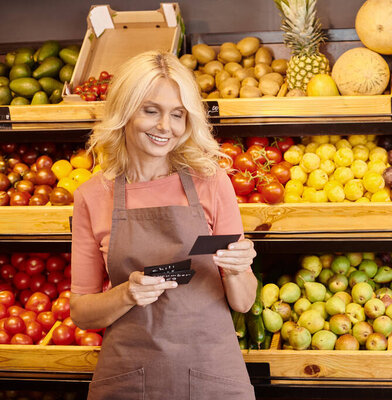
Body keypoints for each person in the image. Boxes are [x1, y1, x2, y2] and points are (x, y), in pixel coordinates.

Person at [69, 50, 257, 400]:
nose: (164, 127)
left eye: (177, 115)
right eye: (150, 110)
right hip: (129, 377)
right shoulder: (92, 196)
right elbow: (81, 311)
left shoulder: (212, 182)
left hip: (211, 374)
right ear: (125, 111)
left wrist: (237, 270)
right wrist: (126, 293)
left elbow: (244, 303)